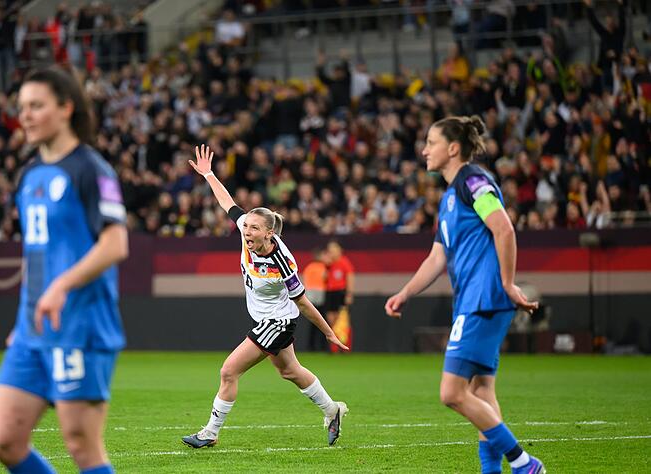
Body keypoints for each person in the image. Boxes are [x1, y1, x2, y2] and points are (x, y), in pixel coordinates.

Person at [384, 115, 545, 474]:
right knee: (482, 390)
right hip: (474, 300)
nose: (424, 150)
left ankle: (525, 464)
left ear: (453, 148)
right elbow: (438, 256)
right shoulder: (448, 198)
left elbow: (503, 228)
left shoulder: (472, 180)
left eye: (431, 142)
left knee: (452, 393)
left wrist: (506, 283)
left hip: (483, 299)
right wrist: (405, 292)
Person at [0, 66, 128, 474]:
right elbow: (36, 255)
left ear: (66, 108)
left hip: (80, 325)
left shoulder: (92, 169)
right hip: (34, 327)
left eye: (36, 106)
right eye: (22, 107)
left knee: (82, 446)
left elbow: (116, 243)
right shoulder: (28, 174)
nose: (25, 115)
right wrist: (29, 312)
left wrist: (62, 286)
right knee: (5, 441)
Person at [182, 144, 349, 449]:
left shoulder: (282, 261)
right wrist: (208, 174)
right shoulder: (247, 233)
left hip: (278, 321)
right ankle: (332, 409)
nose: (246, 231)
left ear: (269, 233)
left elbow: (303, 302)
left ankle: (210, 433)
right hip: (267, 319)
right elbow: (227, 203)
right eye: (246, 225)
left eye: (254, 228)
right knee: (290, 371)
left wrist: (329, 333)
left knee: (228, 370)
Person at [303, 246, 329, 352]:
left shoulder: (309, 267)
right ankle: (323, 346)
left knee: (313, 323)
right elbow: (325, 278)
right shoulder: (323, 267)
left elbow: (305, 280)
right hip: (320, 295)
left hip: (310, 296)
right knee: (322, 321)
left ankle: (311, 346)